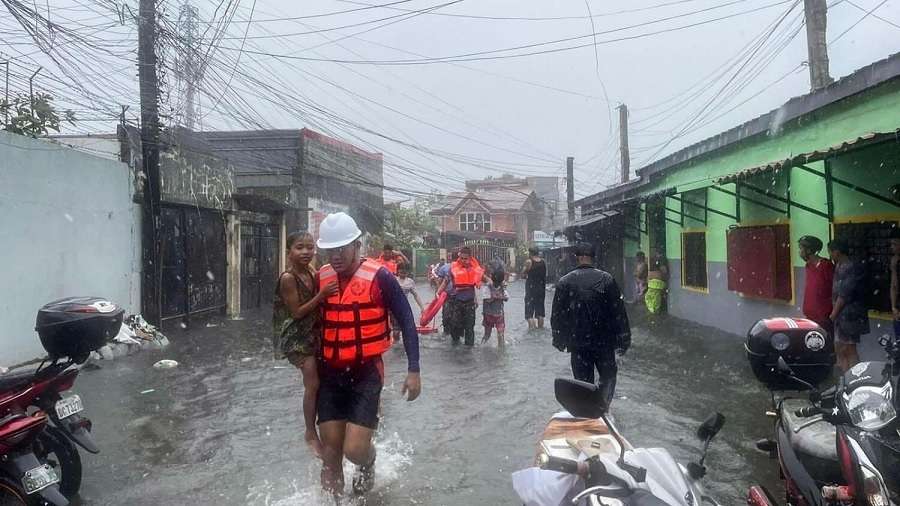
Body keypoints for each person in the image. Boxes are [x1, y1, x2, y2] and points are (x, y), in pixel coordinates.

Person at [314, 213, 422, 495]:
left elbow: (406, 320)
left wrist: (414, 370)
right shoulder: (322, 277)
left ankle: (369, 461)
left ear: (357, 245)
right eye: (330, 250)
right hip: (330, 374)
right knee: (331, 454)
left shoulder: (380, 277)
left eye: (341, 249)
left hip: (366, 373)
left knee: (354, 450)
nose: (335, 256)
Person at [272, 231, 339, 456]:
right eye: (299, 247)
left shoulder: (311, 271)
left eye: (310, 247)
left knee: (322, 380)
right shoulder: (288, 278)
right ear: (288, 251)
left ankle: (327, 421)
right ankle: (310, 433)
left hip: (313, 333)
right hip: (295, 337)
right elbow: (297, 312)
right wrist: (322, 295)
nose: (305, 252)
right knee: (312, 383)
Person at [551, 242, 631, 407]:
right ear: (593, 258)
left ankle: (587, 411)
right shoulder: (607, 279)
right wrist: (624, 338)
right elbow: (619, 312)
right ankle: (604, 406)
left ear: (577, 258)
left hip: (578, 343)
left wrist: (558, 338)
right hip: (604, 342)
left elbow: (557, 315)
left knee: (582, 382)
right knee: (608, 377)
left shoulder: (565, 282)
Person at [828, 238, 870, 372]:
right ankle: (845, 375)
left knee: (850, 348)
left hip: (850, 314)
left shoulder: (850, 267)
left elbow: (844, 294)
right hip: (841, 315)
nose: (830, 255)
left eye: (831, 252)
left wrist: (833, 314)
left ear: (837, 251)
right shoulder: (838, 265)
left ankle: (855, 376)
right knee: (840, 348)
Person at [437, 246, 484, 346]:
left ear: (470, 258)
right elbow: (445, 281)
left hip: (470, 303)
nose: (463, 260)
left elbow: (483, 279)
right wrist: (438, 293)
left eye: (465, 259)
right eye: (461, 258)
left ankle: (468, 350)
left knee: (469, 327)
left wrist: (493, 283)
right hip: (457, 301)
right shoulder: (453, 269)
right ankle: (455, 347)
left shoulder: (475, 270)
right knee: (454, 326)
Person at [798, 236, 834, 336]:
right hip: (810, 317)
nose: (799, 252)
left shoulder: (826, 265)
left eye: (801, 249)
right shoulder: (808, 266)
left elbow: (835, 290)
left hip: (824, 318)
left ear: (809, 250)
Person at [394, 263, 425, 342]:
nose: (403, 274)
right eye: (401, 272)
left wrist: (422, 307)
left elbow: (416, 295)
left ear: (407, 272)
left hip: (405, 308)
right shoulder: (394, 280)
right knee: (396, 330)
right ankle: (396, 344)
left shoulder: (410, 282)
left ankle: (405, 345)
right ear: (397, 271)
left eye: (405, 273)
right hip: (394, 308)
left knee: (407, 329)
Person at [481, 269, 509, 347]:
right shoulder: (487, 287)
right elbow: (487, 299)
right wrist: (498, 296)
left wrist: (501, 295)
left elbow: (506, 298)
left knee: (500, 334)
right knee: (488, 334)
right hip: (489, 315)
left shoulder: (502, 288)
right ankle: (483, 347)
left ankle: (500, 351)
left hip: (497, 315)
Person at [523, 247, 547, 330]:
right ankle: (540, 329)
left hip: (531, 289)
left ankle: (532, 330)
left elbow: (523, 274)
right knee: (540, 312)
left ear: (530, 253)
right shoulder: (543, 262)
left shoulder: (529, 262)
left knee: (529, 313)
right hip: (541, 289)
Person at [645, 250, 670, 315]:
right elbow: (665, 277)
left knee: (653, 298)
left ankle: (654, 309)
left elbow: (647, 281)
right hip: (659, 288)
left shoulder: (651, 273)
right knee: (657, 298)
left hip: (653, 288)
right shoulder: (660, 272)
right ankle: (656, 309)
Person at [892, 228, 900, 338]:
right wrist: (894, 307)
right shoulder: (894, 260)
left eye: (895, 244)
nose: (892, 247)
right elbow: (893, 285)